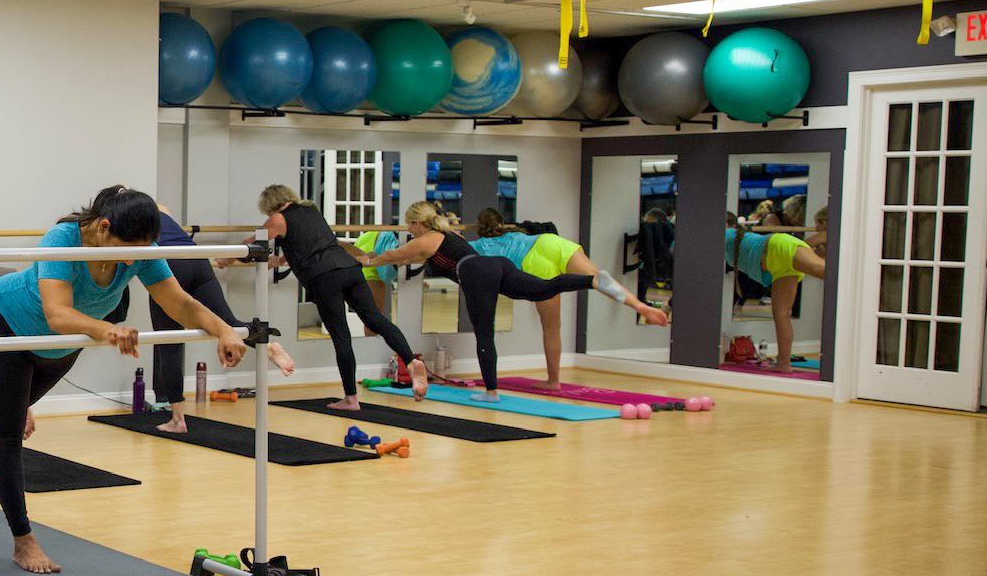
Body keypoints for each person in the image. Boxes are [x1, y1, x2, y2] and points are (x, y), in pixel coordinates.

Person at [0, 186, 258, 575]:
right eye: (127, 248)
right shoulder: (62, 239)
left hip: (59, 347)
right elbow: (58, 313)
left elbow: (179, 302)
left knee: (8, 405)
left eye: (140, 251)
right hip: (3, 324)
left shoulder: (136, 251)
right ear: (103, 227)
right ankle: (23, 541)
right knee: (8, 431)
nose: (132, 260)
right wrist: (106, 330)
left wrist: (224, 329)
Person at [375, 201, 645, 402]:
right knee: (541, 289)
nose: (409, 230)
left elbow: (394, 255)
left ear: (418, 224)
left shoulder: (426, 239)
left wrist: (368, 260)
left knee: (484, 333)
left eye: (409, 225)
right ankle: (593, 281)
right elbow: (413, 257)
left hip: (476, 273)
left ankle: (491, 392)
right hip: (498, 266)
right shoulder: (449, 236)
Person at [255, 185, 421, 410]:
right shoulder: (311, 211)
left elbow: (255, 244)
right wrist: (281, 261)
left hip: (324, 278)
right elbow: (311, 245)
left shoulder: (277, 218)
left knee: (341, 336)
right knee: (375, 318)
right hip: (349, 268)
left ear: (269, 204)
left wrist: (228, 258)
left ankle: (351, 398)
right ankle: (410, 360)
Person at [472, 210, 669, 386]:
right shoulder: (516, 233)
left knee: (551, 327)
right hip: (548, 242)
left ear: (480, 228)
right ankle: (639, 306)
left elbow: (448, 246)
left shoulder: (478, 246)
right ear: (500, 224)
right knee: (595, 276)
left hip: (532, 262)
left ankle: (553, 380)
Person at [151, 204, 293, 434]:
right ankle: (268, 346)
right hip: (197, 258)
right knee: (227, 323)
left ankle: (178, 419)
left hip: (166, 262)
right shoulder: (160, 207)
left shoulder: (126, 217)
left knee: (168, 343)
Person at [725, 204, 827, 372]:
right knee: (781, 314)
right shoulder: (729, 239)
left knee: (826, 273)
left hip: (778, 247)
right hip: (776, 264)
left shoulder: (727, 234)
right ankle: (784, 363)